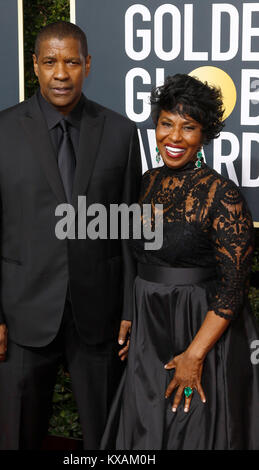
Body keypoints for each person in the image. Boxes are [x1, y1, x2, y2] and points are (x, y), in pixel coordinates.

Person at [0, 21, 141, 450]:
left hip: (98, 319)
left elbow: (133, 228)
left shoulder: (119, 132)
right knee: (20, 434)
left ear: (88, 65)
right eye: (50, 62)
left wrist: (130, 307)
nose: (61, 73)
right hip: (20, 317)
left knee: (105, 438)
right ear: (35, 66)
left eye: (72, 62)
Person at [101, 73, 259, 450]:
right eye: (166, 123)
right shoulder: (145, 182)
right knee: (144, 432)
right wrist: (133, 315)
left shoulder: (223, 195)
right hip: (149, 332)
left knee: (191, 431)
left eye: (187, 127)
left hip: (199, 330)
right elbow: (135, 258)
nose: (173, 137)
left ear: (204, 134)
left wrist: (194, 354)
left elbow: (233, 288)